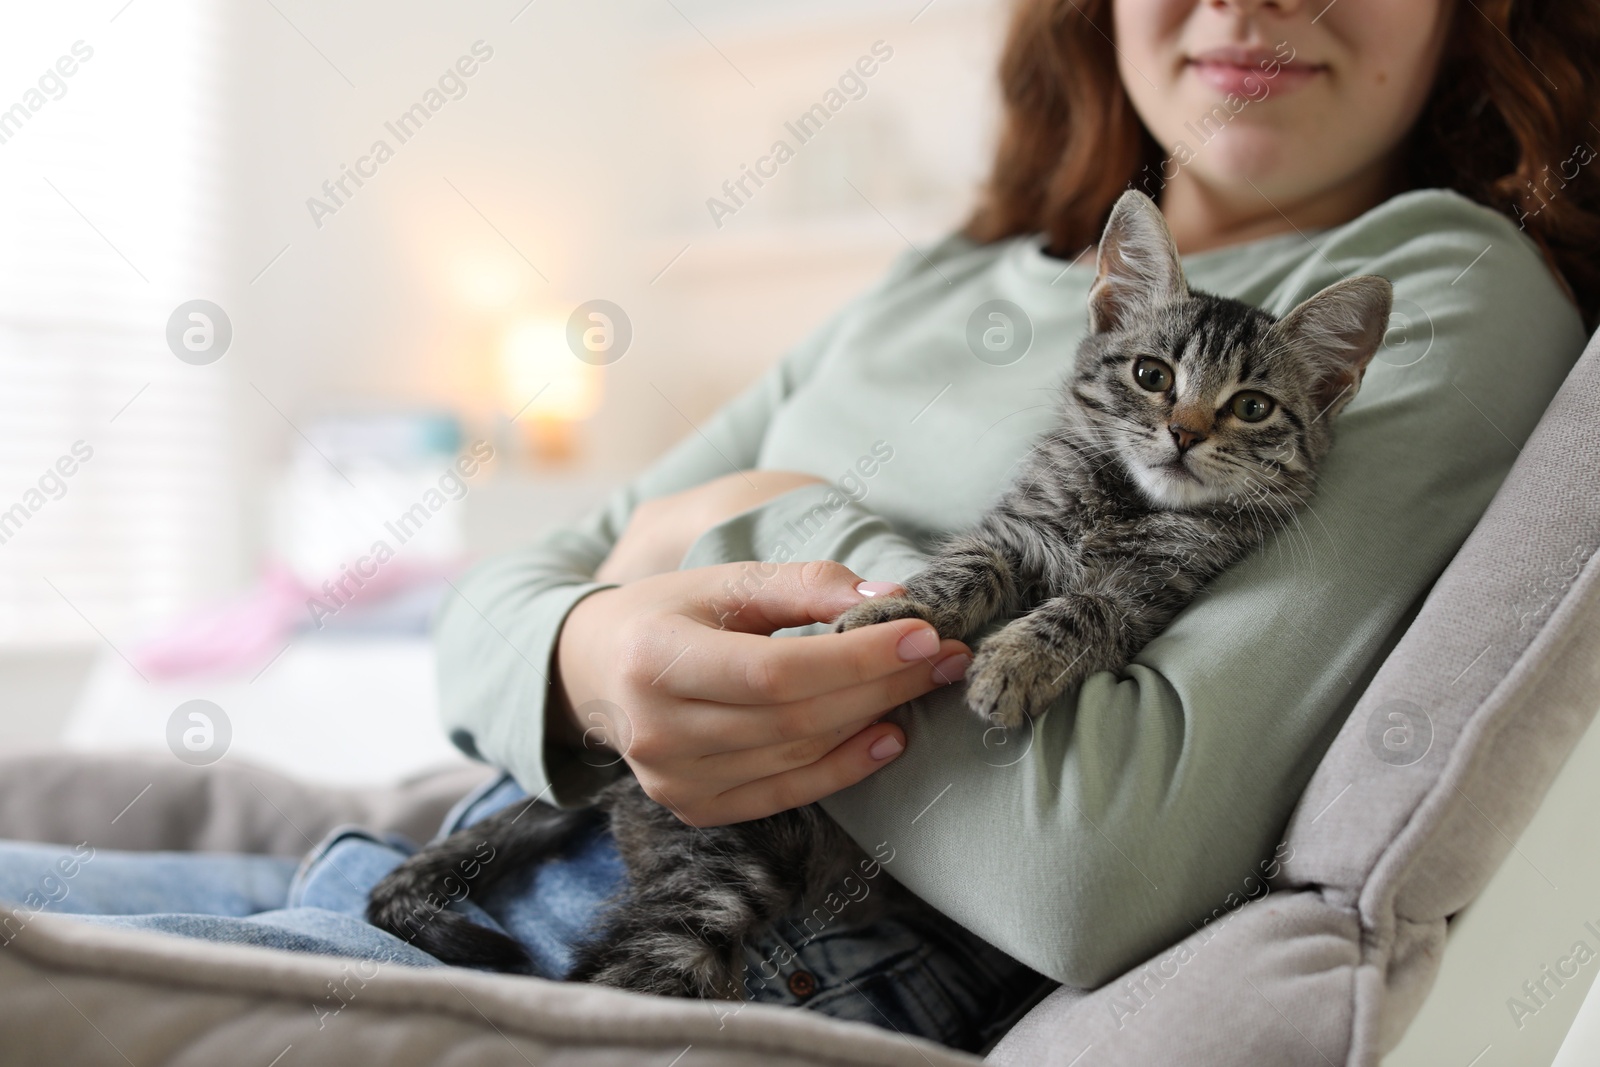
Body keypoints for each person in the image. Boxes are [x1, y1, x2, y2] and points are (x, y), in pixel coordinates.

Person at [4, 0, 1598, 1053]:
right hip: (453, 857)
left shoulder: (1436, 277)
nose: (1255, 2)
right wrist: (589, 644)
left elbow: (1095, 871)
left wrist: (744, 525)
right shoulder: (944, 276)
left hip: (663, 953)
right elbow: (493, 606)